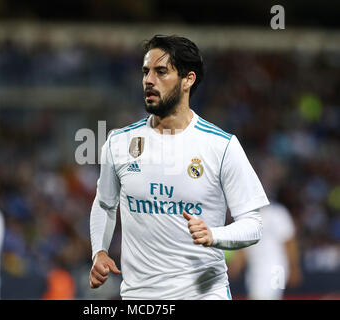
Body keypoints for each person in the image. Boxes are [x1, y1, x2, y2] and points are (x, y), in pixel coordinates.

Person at [89, 35, 270, 300]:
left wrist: (214, 235)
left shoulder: (221, 146)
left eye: (161, 72)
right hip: (139, 297)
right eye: (145, 71)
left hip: (204, 294)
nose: (149, 80)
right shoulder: (119, 142)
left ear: (188, 80)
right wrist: (99, 251)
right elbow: (105, 204)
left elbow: (253, 224)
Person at [227, 202, 302, 300]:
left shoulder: (277, 212)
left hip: (276, 268)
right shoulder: (244, 218)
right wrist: (233, 268)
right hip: (254, 270)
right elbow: (243, 248)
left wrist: (294, 267)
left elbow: (289, 242)